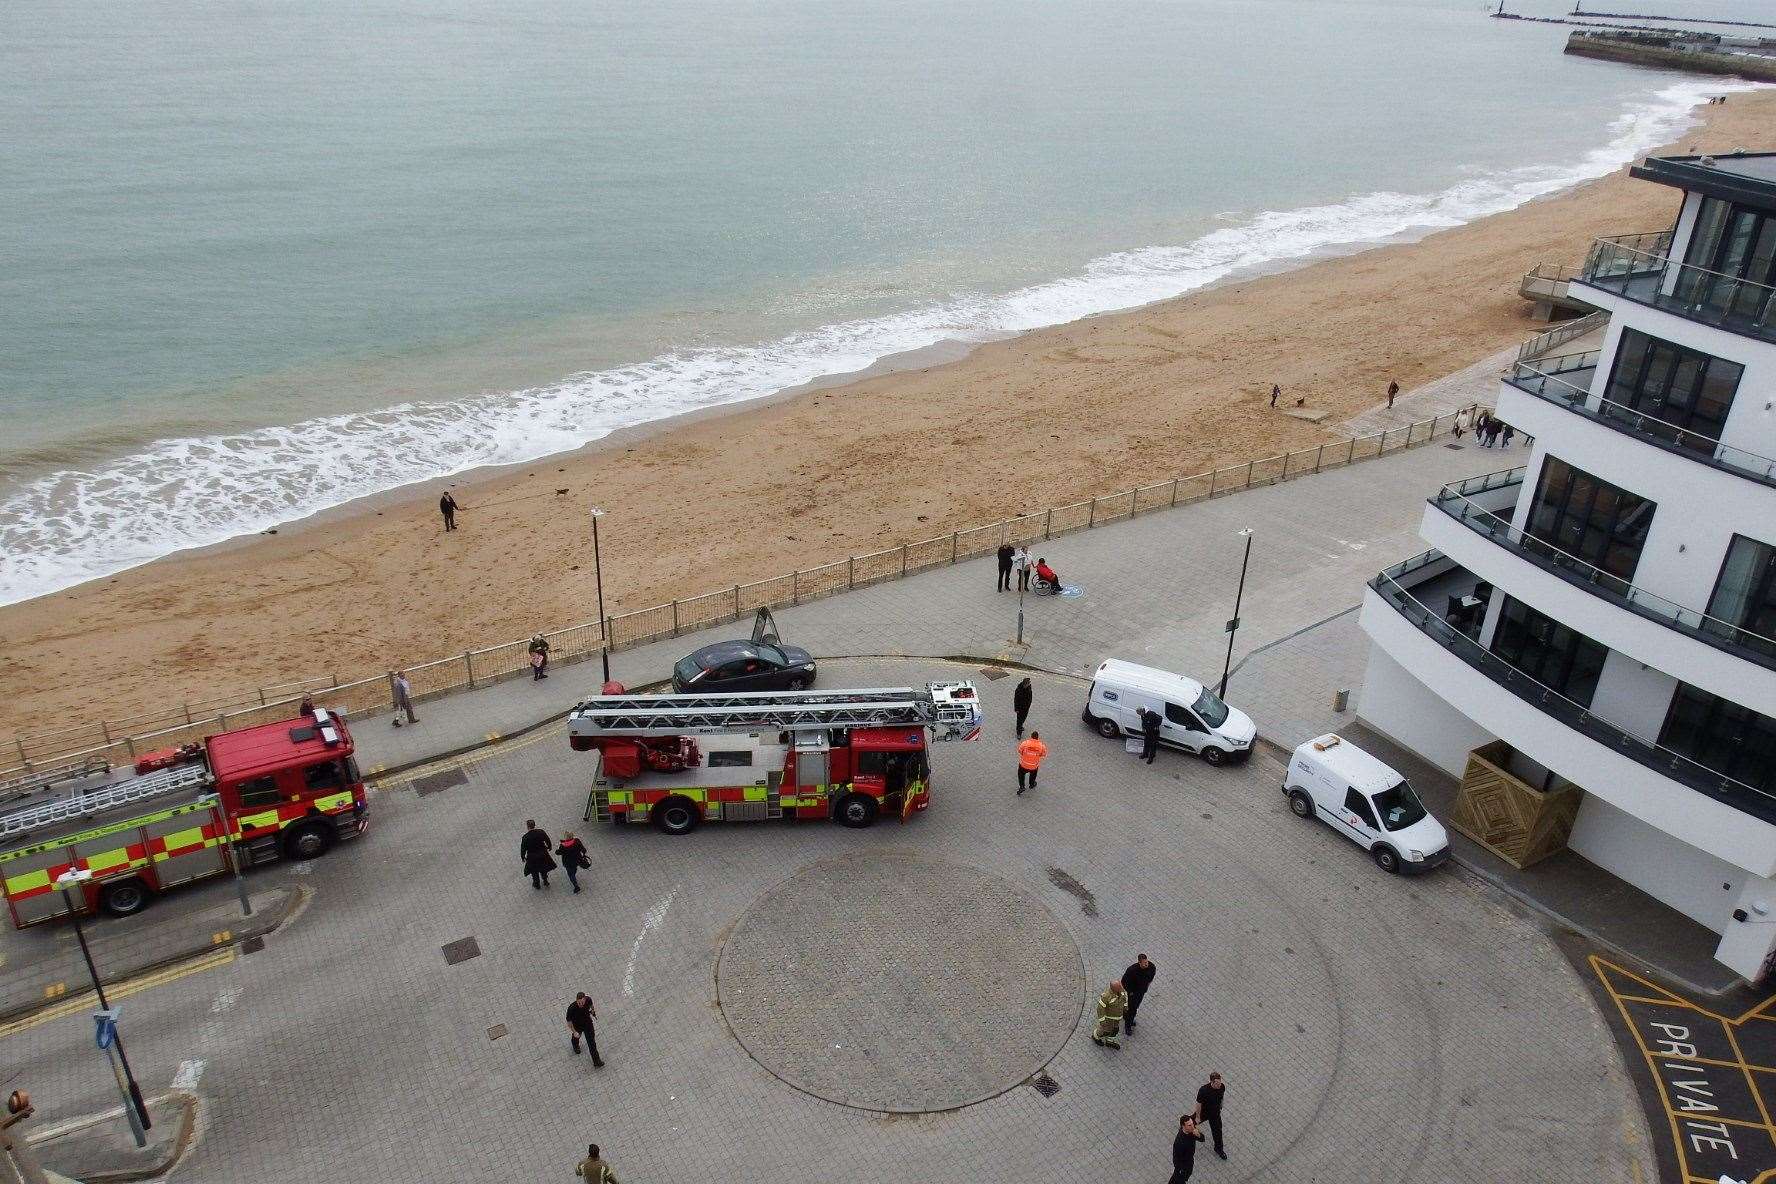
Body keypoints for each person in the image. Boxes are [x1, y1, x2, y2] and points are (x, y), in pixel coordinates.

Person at [1194, 1072, 1227, 1161]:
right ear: (1211, 1082)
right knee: (1192, 1121)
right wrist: (1197, 1117)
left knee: (1218, 1132)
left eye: (1220, 1082)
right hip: (1203, 1112)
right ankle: (1184, 1125)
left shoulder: (1222, 1087)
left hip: (1215, 1114)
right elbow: (1198, 1104)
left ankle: (1219, 1149)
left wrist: (1221, 1105)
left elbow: (1222, 1096)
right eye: (1217, 1083)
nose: (1219, 1085)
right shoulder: (1203, 1090)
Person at [566, 993, 604, 1067]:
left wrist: (592, 1011)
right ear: (576, 1000)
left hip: (588, 1024)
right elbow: (569, 1022)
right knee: (576, 1036)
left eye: (582, 1002)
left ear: (585, 999)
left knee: (592, 1043)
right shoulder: (571, 1008)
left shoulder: (588, 999)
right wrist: (574, 1031)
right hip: (577, 1025)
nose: (581, 1004)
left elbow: (591, 1005)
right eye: (579, 1002)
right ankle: (575, 1045)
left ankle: (596, 1061)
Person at [1123, 953, 1157, 1030]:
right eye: (1144, 963)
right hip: (1133, 993)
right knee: (1132, 1008)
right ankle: (1128, 1025)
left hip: (1141, 992)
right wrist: (1130, 992)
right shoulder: (1132, 970)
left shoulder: (1151, 967)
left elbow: (1151, 977)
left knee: (1136, 1006)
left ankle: (1127, 1016)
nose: (1146, 964)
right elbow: (1124, 982)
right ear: (1139, 962)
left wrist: (1146, 986)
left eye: (1146, 962)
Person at [1170, 1114, 1207, 1183]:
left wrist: (1198, 1134)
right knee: (1179, 1178)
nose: (1192, 1126)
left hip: (1189, 1160)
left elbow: (1202, 1139)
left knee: (1180, 1177)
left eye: (1192, 1123)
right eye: (1189, 1125)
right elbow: (1176, 1157)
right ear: (1183, 1126)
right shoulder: (1179, 1142)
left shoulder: (1192, 1131)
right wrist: (1180, 1169)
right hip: (1183, 1165)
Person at [1092, 980, 1128, 1049]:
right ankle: (1096, 1036)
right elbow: (1100, 1009)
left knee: (1115, 1030)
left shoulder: (1121, 991)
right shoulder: (1106, 997)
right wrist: (1102, 1021)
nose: (1121, 988)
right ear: (1113, 989)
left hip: (1117, 1017)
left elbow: (1125, 998)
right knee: (1105, 1030)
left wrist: (1125, 1006)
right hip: (1109, 1018)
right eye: (1119, 987)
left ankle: (1109, 1041)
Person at [521, 819, 556, 889]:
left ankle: (537, 884)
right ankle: (545, 880)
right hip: (542, 854)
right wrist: (549, 846)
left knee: (534, 871)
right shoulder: (541, 832)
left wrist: (523, 857)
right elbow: (547, 839)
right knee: (543, 868)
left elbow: (523, 848)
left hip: (532, 857)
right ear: (534, 825)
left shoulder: (525, 837)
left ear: (528, 827)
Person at [1016, 731, 1047, 796]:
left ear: (1031, 736)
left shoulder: (1025, 743)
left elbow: (1020, 750)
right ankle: (1031, 784)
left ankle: (1022, 786)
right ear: (1037, 738)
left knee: (1021, 775)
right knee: (1033, 775)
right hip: (1034, 766)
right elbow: (1043, 754)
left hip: (1024, 764)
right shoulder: (1041, 746)